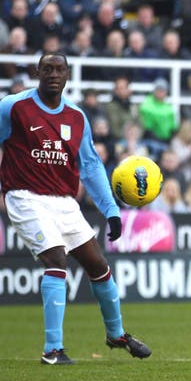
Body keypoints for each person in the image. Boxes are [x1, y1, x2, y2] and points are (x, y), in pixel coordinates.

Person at [0, 52, 151, 364]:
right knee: (56, 259)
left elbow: (92, 167)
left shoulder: (76, 117)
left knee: (98, 266)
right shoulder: (13, 107)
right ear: (37, 73)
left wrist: (111, 210)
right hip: (24, 196)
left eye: (59, 69)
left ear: (67, 75)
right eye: (47, 69)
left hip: (65, 202)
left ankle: (116, 334)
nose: (54, 74)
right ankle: (53, 349)